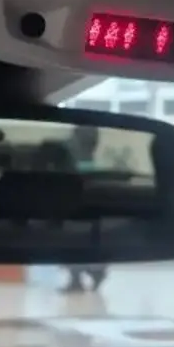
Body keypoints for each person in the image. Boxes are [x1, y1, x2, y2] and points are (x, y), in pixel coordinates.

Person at [63, 124, 108, 293]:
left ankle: (89, 274)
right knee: (73, 242)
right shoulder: (82, 152)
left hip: (80, 200)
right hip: (74, 200)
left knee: (78, 241)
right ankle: (78, 279)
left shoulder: (82, 155)